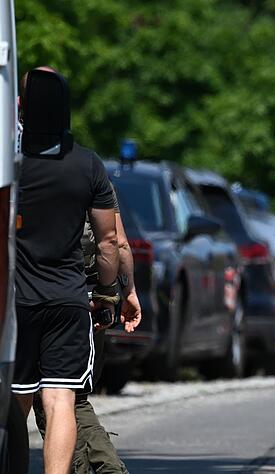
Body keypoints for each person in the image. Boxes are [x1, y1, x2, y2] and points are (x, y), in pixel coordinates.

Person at [12, 67, 121, 474]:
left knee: (15, 401)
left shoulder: (11, 164)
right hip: (68, 300)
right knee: (59, 401)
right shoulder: (87, 165)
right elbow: (109, 240)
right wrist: (108, 292)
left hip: (17, 302)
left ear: (21, 106)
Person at [33, 183, 141, 474]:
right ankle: (108, 469)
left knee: (53, 399)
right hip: (90, 296)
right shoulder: (92, 172)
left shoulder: (26, 170)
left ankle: (90, 469)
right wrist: (126, 292)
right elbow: (116, 242)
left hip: (37, 294)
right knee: (73, 396)